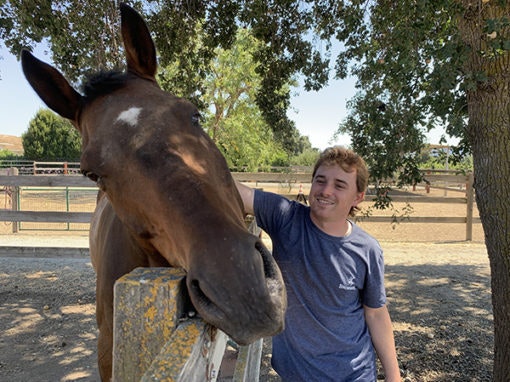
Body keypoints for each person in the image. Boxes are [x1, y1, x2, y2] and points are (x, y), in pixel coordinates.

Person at [236, 146, 401, 382]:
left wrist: (394, 376)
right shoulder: (286, 218)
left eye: (339, 185)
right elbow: (231, 190)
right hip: (297, 374)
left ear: (358, 197)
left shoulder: (367, 250)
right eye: (320, 181)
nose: (326, 191)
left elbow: (375, 313)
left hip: (354, 374)